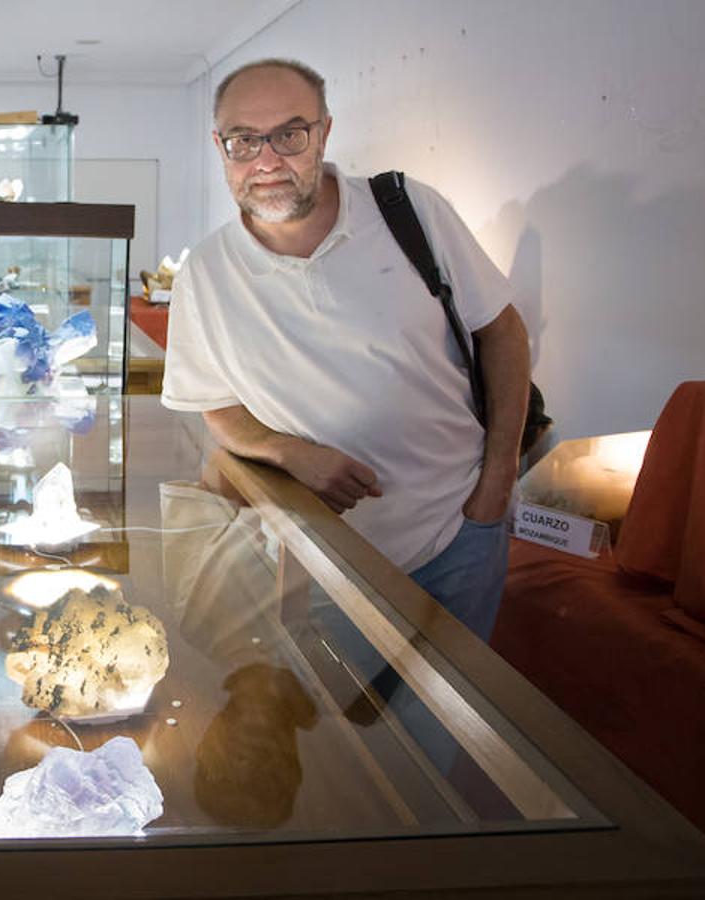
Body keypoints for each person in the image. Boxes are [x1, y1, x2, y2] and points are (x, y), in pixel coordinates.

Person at [162, 59, 530, 641]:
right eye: (244, 140)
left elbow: (502, 334)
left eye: (289, 134)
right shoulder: (204, 274)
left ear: (324, 133)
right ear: (220, 146)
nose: (266, 160)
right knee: (347, 730)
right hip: (319, 560)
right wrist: (287, 453)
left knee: (453, 730)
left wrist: (498, 485)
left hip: (458, 534)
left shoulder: (408, 210)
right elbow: (217, 404)